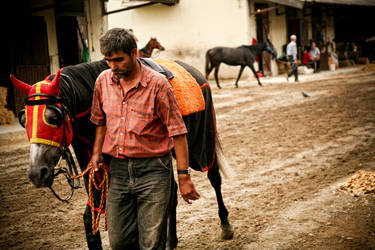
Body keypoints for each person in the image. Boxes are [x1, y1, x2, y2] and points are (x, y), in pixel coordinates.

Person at [89, 28, 200, 249]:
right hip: (118, 171)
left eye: (118, 60)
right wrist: (96, 154)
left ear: (134, 53)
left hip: (154, 171)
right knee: (119, 242)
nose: (113, 66)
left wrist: (184, 176)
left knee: (151, 243)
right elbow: (100, 121)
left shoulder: (159, 85)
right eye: (108, 60)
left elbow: (177, 132)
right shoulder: (103, 81)